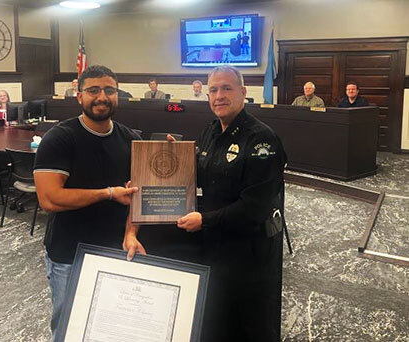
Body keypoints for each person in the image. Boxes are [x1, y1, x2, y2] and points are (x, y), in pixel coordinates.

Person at [126, 66, 287, 341]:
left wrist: (205, 220)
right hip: (214, 246)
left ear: (243, 92)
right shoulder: (211, 131)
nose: (219, 96)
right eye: (213, 90)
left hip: (249, 254)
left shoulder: (262, 140)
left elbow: (255, 208)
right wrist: (168, 165)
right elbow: (199, 174)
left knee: (249, 324)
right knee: (217, 317)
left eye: (227, 88)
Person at [33, 65, 144, 341]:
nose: (102, 97)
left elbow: (138, 197)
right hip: (70, 255)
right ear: (79, 95)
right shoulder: (59, 138)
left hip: (117, 252)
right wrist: (107, 193)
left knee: (111, 327)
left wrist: (131, 233)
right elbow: (50, 199)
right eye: (93, 90)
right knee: (69, 327)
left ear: (118, 95)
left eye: (109, 90)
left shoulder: (132, 139)